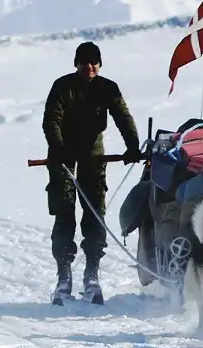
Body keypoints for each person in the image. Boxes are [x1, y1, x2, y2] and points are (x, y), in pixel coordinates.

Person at [42, 41, 142, 304]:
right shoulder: (62, 86)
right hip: (63, 157)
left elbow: (123, 116)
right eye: (84, 62)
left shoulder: (108, 88)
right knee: (64, 211)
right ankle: (63, 275)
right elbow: (51, 119)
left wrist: (133, 145)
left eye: (94, 62)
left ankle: (91, 273)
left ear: (100, 63)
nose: (89, 67)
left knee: (95, 213)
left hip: (93, 157)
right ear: (76, 64)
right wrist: (59, 146)